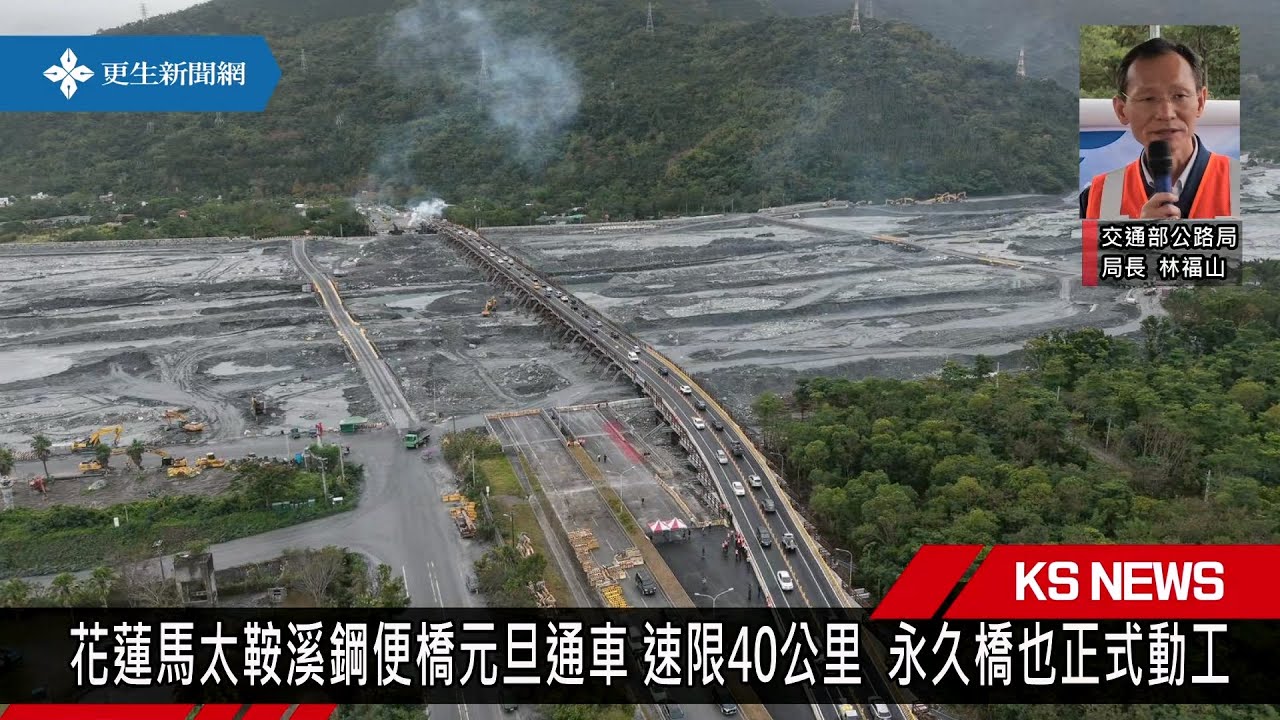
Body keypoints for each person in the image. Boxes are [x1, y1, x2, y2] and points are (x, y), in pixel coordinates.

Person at [1080, 37, 1239, 220]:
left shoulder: (1243, 186)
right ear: (1121, 110)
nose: (1166, 113)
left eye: (1179, 96)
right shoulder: (1096, 198)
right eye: (1148, 99)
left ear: (1200, 102)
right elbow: (1082, 239)